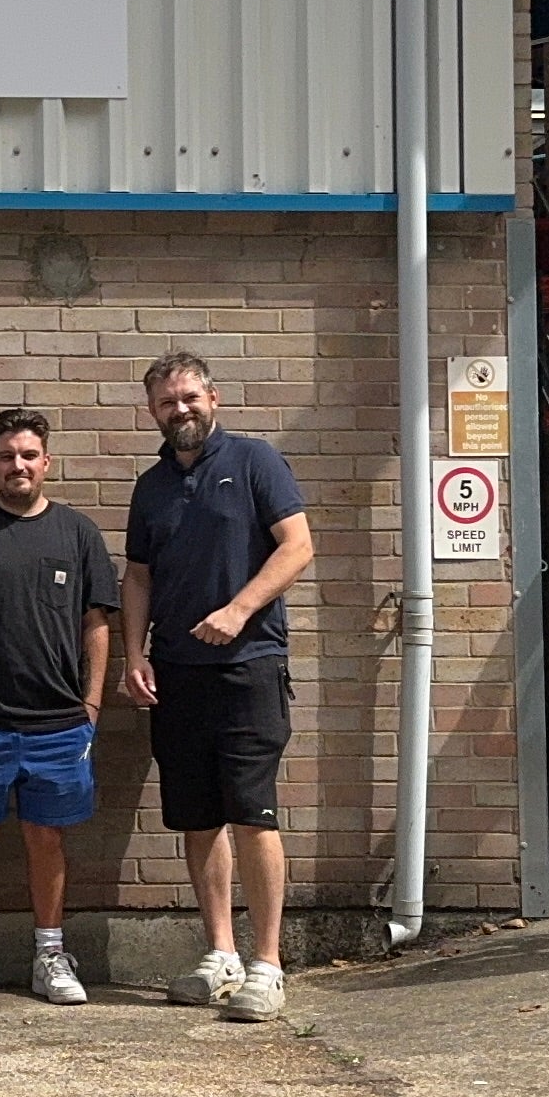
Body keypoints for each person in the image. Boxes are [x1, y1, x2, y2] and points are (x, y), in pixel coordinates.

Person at [120, 350, 317, 1026]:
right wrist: (134, 654)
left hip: (249, 667)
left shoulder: (257, 462)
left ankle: (267, 964)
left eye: (189, 397)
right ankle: (221, 954)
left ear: (215, 397)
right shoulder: (151, 487)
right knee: (198, 817)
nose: (180, 410)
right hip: (177, 672)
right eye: (167, 402)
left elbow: (296, 546)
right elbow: (138, 576)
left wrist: (238, 610)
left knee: (252, 812)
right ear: (153, 412)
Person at [0, 409, 119, 1007]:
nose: (18, 466)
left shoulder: (79, 534)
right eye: (7, 456)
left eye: (28, 455)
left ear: (46, 462)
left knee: (46, 837)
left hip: (59, 724)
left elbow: (97, 625)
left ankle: (50, 953)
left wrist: (91, 705)